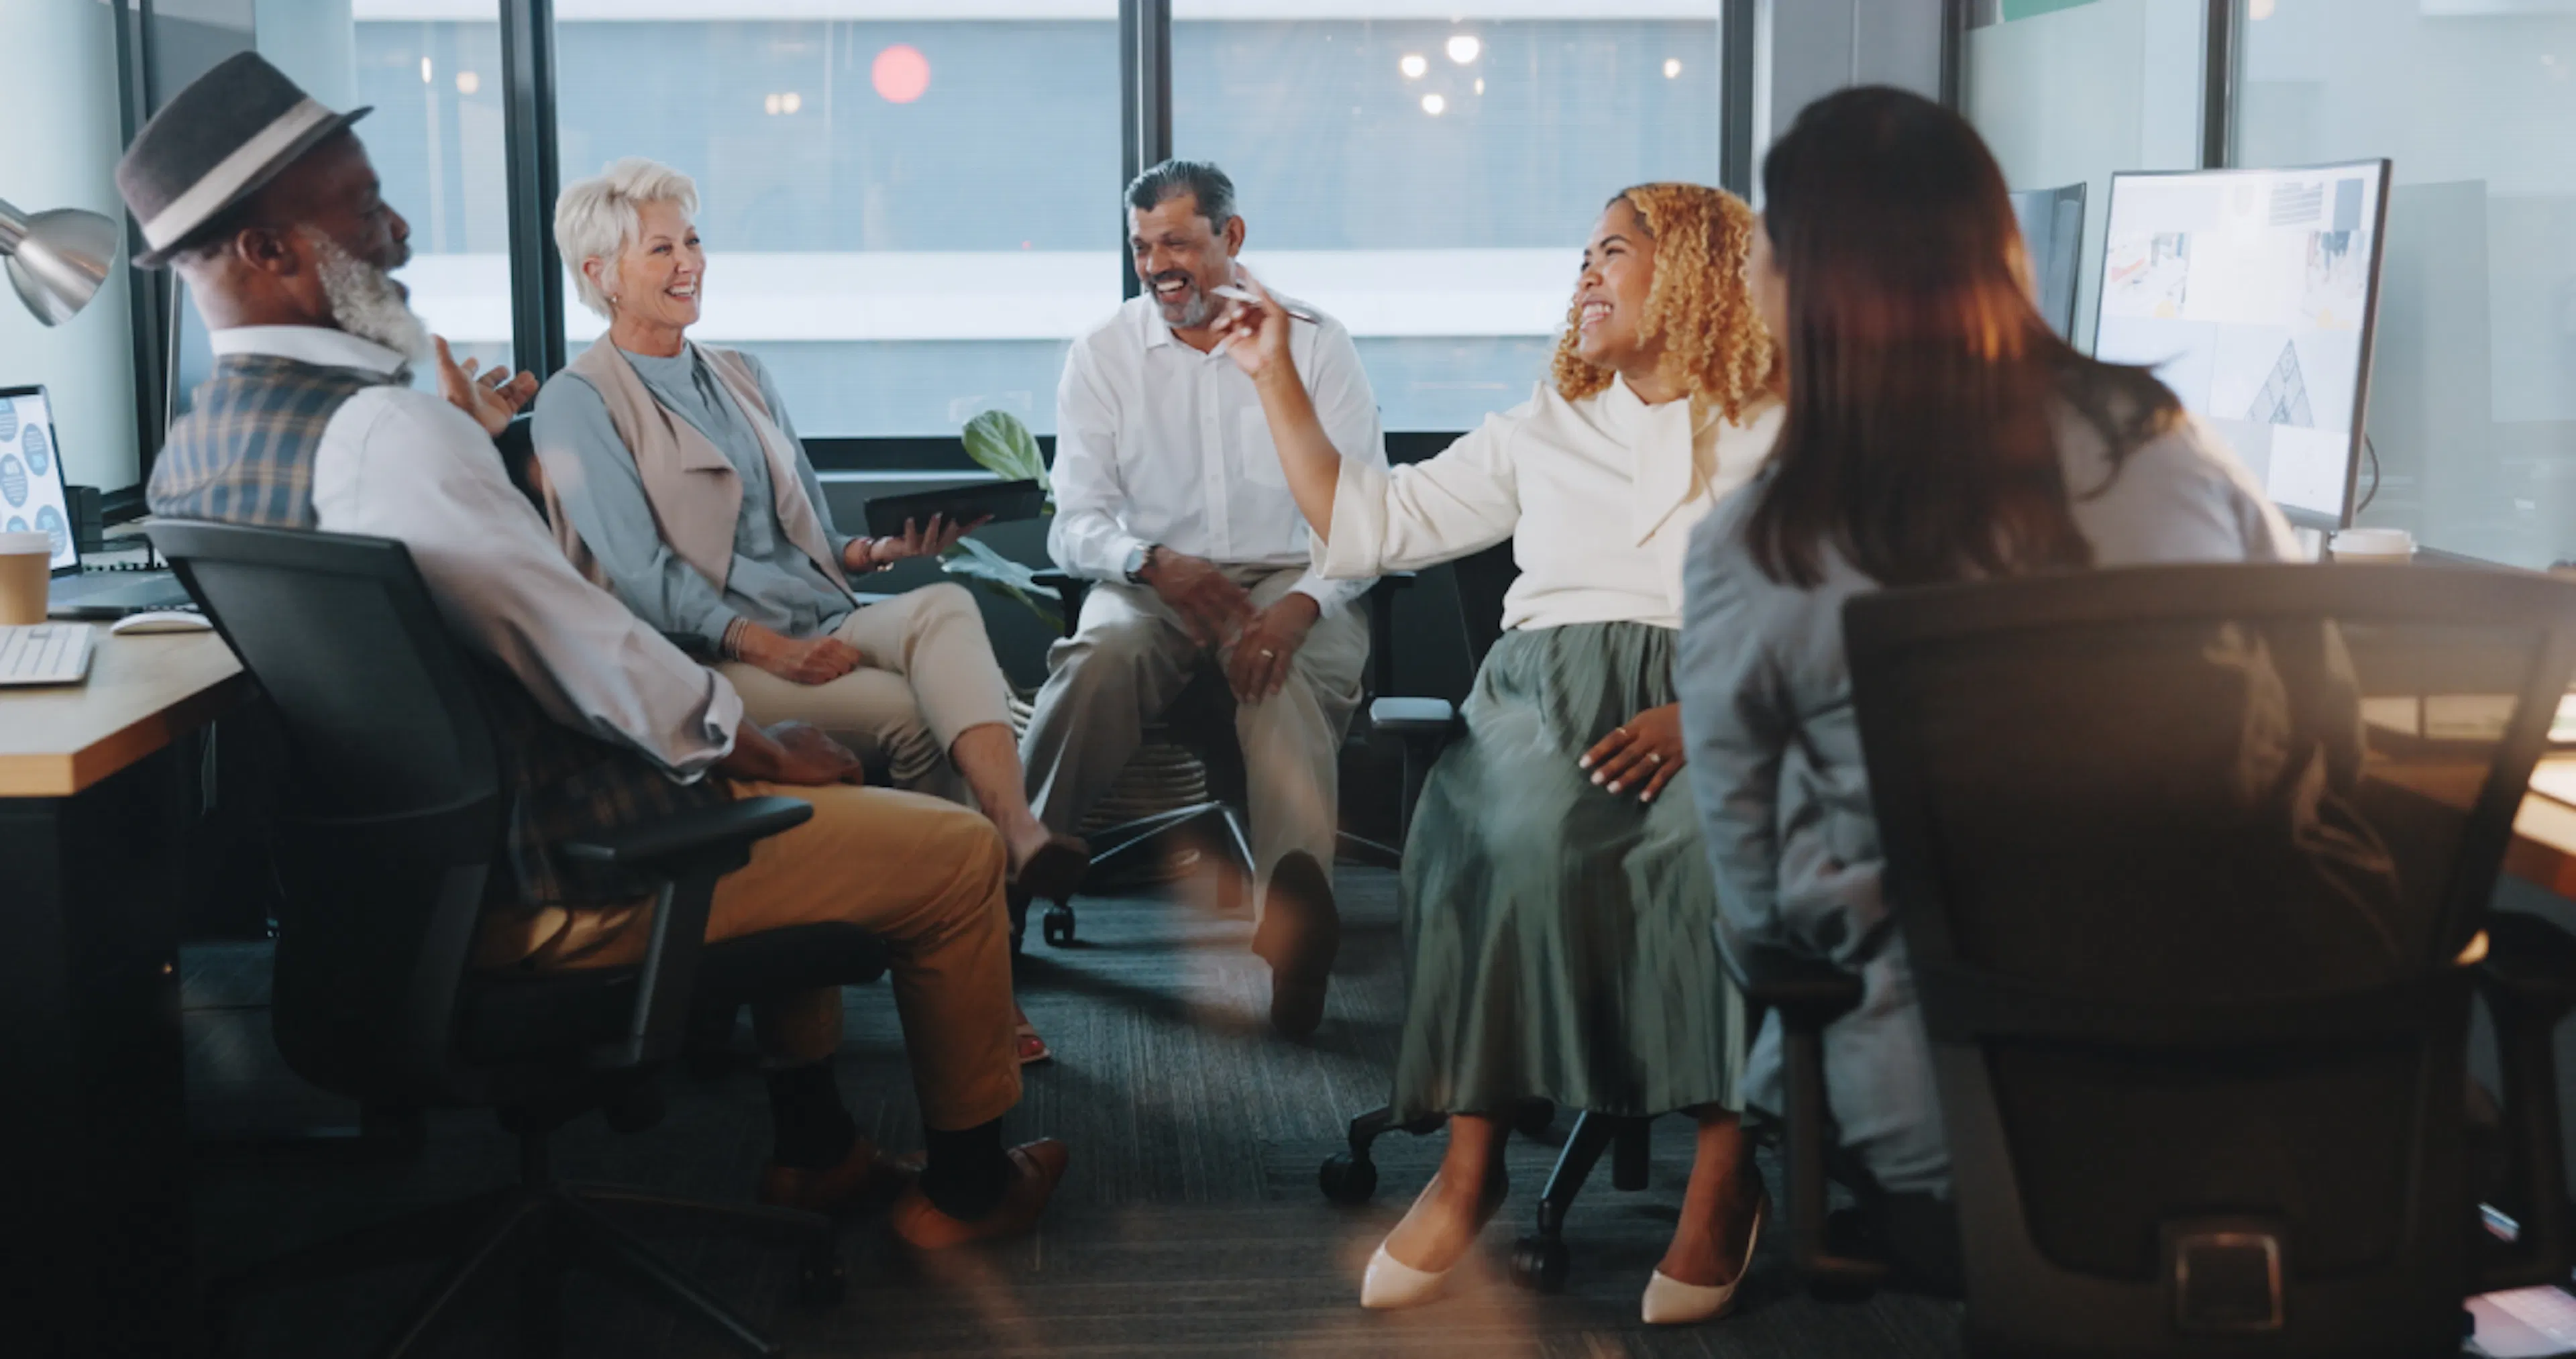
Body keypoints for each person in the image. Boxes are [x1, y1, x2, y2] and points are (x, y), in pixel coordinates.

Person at [120, 53, 1067, 1248]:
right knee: (945, 851)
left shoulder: (194, 455)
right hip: (570, 873)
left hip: (384, 897)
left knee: (842, 751)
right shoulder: (390, 435)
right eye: (361, 207)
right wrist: (751, 740)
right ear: (264, 251)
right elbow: (579, 632)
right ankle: (970, 1193)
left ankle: (817, 1148)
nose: (401, 232)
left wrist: (479, 450)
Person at [1676, 86, 2316, 1289]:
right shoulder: (2164, 445)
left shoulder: (1762, 544)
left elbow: (1754, 892)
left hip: (1960, 1114)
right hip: (2251, 1067)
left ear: (1797, 286)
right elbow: (2304, 721)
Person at [1214, 183, 1778, 1323]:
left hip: (1725, 693)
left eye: (1611, 252)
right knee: (1500, 839)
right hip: (1544, 694)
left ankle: (1725, 1172)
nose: (1584, 276)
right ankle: (1469, 1171)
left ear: (1700, 274)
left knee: (1715, 852)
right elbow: (1366, 519)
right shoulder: (1546, 423)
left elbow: (1838, 602)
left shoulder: (1788, 427)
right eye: (1580, 256)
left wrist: (1711, 711)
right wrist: (1274, 372)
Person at [531, 158, 1080, 1061]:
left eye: (694, 239)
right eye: (660, 247)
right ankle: (969, 986)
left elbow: (810, 537)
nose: (689, 262)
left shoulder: (742, 372)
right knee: (911, 718)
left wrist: (882, 553)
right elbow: (640, 577)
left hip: (820, 615)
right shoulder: (577, 402)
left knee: (941, 600)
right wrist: (771, 651)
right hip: (708, 656)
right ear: (600, 274)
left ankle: (1017, 834)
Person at [1023, 160, 1386, 1038]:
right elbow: (1072, 525)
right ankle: (1008, 869)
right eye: (1143, 245)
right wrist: (1150, 562)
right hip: (1155, 580)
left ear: (1232, 237)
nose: (1158, 264)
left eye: (1177, 241)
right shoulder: (1105, 353)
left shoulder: (1317, 342)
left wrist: (1300, 607)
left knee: (1283, 676)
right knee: (1099, 655)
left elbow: (1363, 514)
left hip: (1292, 578)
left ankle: (1295, 932)